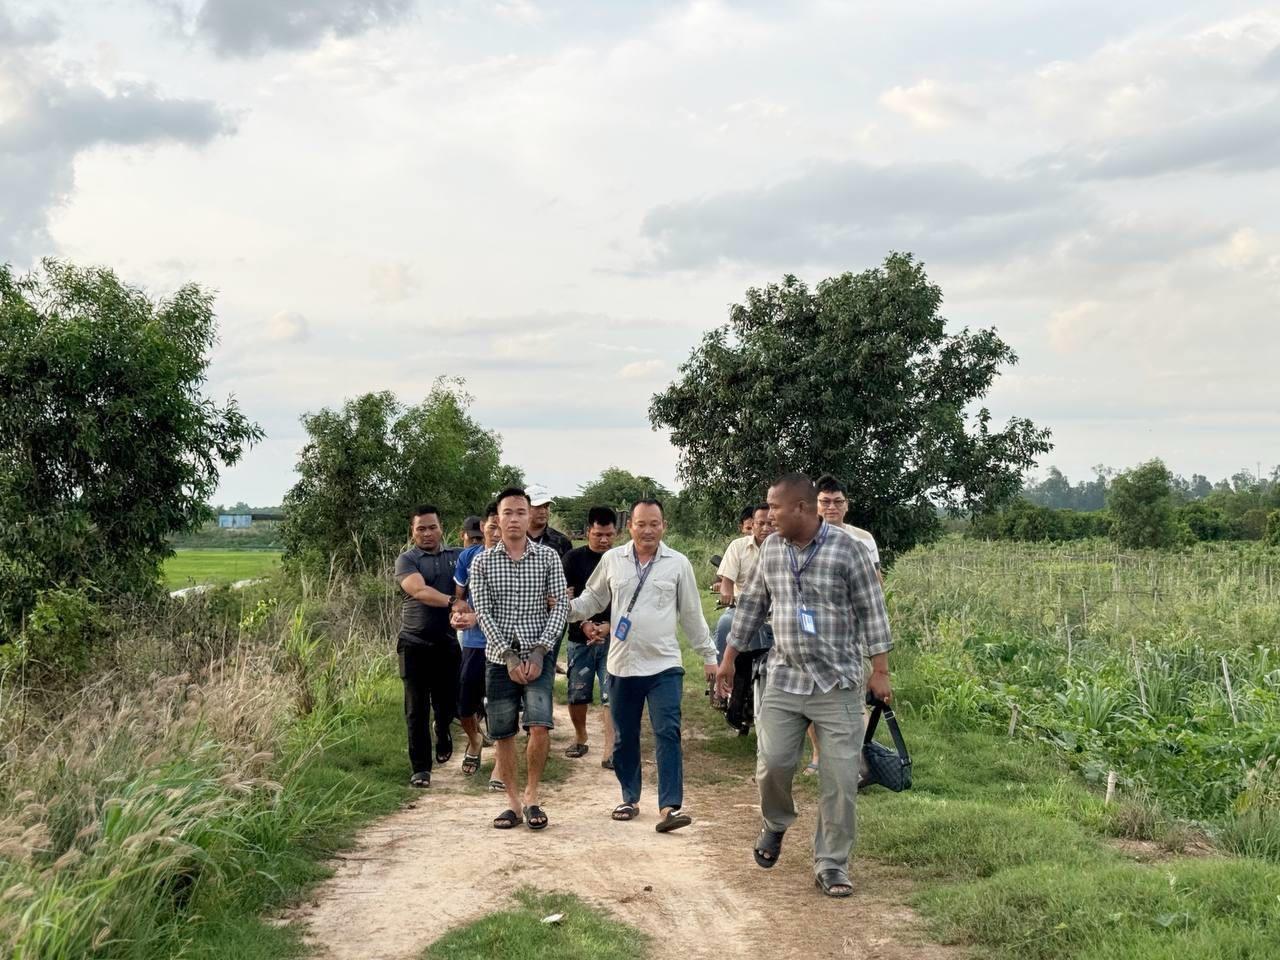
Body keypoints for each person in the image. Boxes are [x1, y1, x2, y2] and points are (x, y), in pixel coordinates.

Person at [716, 473, 893, 898]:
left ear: (800, 507)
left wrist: (880, 671)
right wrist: (728, 659)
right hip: (785, 677)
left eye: (774, 508)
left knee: (840, 779)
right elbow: (753, 605)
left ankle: (831, 863)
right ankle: (776, 821)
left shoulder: (848, 549)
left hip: (837, 682)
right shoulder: (772, 549)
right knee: (773, 763)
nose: (767, 516)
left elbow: (873, 611)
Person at [569, 499, 718, 833]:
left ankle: (670, 807)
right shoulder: (612, 560)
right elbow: (593, 599)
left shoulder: (678, 564)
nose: (648, 530)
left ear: (663, 526)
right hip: (622, 665)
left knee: (668, 731)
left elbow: (692, 615)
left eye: (654, 523)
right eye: (641, 524)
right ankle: (629, 798)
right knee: (625, 737)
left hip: (664, 665)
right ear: (630, 527)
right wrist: (566, 610)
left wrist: (709, 656)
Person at [469, 487, 569, 831]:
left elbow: (560, 608)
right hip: (500, 659)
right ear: (497, 519)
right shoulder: (482, 562)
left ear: (530, 517)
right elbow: (483, 613)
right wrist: (509, 656)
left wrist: (541, 651)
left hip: (539, 653)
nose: (514, 519)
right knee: (503, 732)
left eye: (520, 512)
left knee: (539, 725)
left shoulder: (548, 558)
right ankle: (512, 802)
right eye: (507, 513)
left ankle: (532, 796)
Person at [806, 474, 885, 774]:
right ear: (814, 505)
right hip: (812, 630)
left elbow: (876, 584)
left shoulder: (863, 539)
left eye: (837, 502)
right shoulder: (804, 537)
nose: (832, 507)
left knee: (853, 695)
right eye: (825, 502)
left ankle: (856, 762)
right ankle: (818, 754)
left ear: (847, 505)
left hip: (853, 631)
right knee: (811, 692)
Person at [393, 505, 463, 788]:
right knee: (416, 709)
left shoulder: (457, 556)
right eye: (421, 528)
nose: (427, 533)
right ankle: (421, 768)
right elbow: (419, 590)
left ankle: (443, 729)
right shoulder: (407, 560)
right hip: (414, 644)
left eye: (432, 527)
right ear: (412, 532)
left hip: (448, 643)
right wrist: (452, 601)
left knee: (448, 704)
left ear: (441, 528)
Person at [562, 506, 619, 766]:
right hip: (579, 637)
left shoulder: (621, 561)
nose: (604, 540)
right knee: (577, 692)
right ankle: (580, 736)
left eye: (609, 534)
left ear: (616, 533)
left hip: (613, 637)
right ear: (588, 532)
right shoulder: (572, 559)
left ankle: (610, 748)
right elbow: (566, 599)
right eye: (598, 534)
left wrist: (608, 626)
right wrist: (585, 624)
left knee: (611, 693)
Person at [452, 507, 499, 780]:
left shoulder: (519, 559)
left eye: (500, 526)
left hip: (504, 642)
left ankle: (501, 765)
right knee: (464, 703)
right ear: (483, 527)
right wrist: (457, 614)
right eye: (492, 526)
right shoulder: (468, 557)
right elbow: (459, 597)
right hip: (474, 641)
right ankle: (474, 739)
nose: (496, 532)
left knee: (501, 703)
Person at [714, 504, 774, 662]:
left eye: (770, 523)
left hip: (778, 612)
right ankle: (721, 673)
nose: (766, 528)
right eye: (761, 523)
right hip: (743, 608)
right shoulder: (737, 547)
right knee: (725, 623)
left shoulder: (787, 546)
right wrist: (727, 595)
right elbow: (727, 581)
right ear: (753, 525)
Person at [525, 484, 573, 558]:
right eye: (538, 507)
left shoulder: (562, 541)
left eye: (546, 506)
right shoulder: (514, 538)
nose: (543, 511)